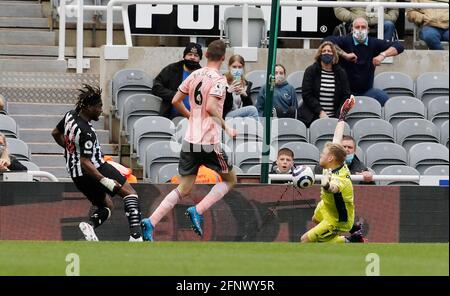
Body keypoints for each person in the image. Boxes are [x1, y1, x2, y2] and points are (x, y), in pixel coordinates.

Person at [141, 40, 237, 242]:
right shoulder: (219, 80)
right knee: (230, 179)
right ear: (222, 58)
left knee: (183, 188)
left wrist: (190, 116)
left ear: (206, 56)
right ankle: (198, 210)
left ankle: (151, 221)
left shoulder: (194, 75)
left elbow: (175, 101)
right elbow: (211, 107)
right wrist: (227, 127)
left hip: (189, 140)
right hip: (209, 141)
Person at [51, 85, 143, 242]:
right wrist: (105, 180)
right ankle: (136, 236)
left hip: (76, 175)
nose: (101, 110)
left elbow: (55, 133)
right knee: (130, 193)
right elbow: (86, 162)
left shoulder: (69, 116)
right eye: (98, 106)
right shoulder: (86, 132)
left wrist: (71, 151)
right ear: (87, 107)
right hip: (95, 168)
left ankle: (89, 225)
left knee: (106, 206)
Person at [300, 95, 365, 243]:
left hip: (338, 219)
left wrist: (327, 184)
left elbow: (335, 188)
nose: (321, 155)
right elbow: (337, 137)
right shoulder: (334, 163)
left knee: (304, 240)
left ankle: (348, 241)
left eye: (323, 154)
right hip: (327, 206)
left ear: (330, 158)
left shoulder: (339, 178)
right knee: (316, 219)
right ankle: (352, 234)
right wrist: (342, 115)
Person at [325, 17, 404, 106]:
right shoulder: (345, 40)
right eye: (357, 27)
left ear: (368, 30)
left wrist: (382, 55)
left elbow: (399, 46)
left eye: (363, 27)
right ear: (352, 29)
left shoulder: (374, 42)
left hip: (367, 91)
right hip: (346, 92)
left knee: (383, 97)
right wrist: (345, 55)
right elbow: (327, 42)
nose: (360, 30)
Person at [298, 41, 352, 127]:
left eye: (329, 51)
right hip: (313, 117)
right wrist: (320, 112)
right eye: (324, 51)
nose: (326, 53)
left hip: (335, 118)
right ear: (320, 54)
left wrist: (339, 116)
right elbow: (306, 94)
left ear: (334, 55)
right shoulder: (311, 71)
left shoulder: (341, 73)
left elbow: (346, 95)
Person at [152, 42, 203, 119]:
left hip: (195, 119)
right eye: (189, 54)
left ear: (200, 59)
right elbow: (156, 88)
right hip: (170, 118)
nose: (192, 57)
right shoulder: (172, 69)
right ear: (184, 56)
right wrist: (175, 95)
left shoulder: (204, 74)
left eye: (196, 55)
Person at [333, 0, 399, 42]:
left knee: (389, 25)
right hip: (356, 21)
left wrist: (381, 17)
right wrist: (356, 18)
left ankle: (385, 52)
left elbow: (394, 10)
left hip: (380, 22)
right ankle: (354, 51)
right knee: (357, 24)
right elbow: (339, 8)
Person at [223, 54, 258, 119]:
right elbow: (221, 106)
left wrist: (245, 95)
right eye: (234, 67)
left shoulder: (246, 84)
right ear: (229, 67)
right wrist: (228, 92)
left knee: (252, 112)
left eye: (239, 67)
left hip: (240, 116)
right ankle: (259, 128)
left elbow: (248, 107)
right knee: (253, 110)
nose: (237, 69)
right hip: (225, 115)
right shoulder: (222, 80)